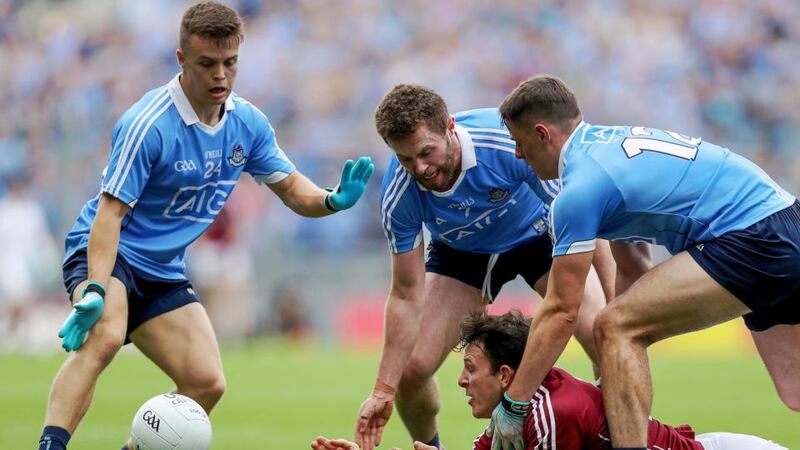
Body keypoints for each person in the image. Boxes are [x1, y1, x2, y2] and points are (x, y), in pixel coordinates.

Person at [38, 3, 374, 450]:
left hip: (162, 269)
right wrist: (96, 289)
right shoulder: (148, 124)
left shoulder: (247, 124)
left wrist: (330, 200)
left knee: (207, 382)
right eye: (207, 63)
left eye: (230, 63)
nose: (220, 75)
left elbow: (293, 189)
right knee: (105, 338)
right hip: (109, 251)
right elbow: (109, 215)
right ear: (181, 60)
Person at [489, 74, 800, 450]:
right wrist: (616, 370)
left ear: (542, 134)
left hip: (752, 237)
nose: (518, 155)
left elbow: (561, 310)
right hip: (782, 221)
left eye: (519, 144)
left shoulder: (578, 190)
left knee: (614, 325)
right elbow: (634, 263)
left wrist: (515, 402)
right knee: (794, 388)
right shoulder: (607, 146)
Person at [355, 84, 614, 450]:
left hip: (539, 234)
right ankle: (432, 447)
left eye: (426, 152)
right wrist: (383, 389)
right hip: (463, 256)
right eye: (406, 159)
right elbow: (405, 294)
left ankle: (625, 439)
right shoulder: (399, 194)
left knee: (604, 333)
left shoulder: (506, 140)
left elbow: (585, 215)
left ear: (449, 126)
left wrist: (612, 300)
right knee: (409, 373)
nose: (420, 168)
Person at [317, 312, 787, 450]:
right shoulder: (522, 407)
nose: (460, 382)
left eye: (470, 369)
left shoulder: (546, 414)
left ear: (505, 376)